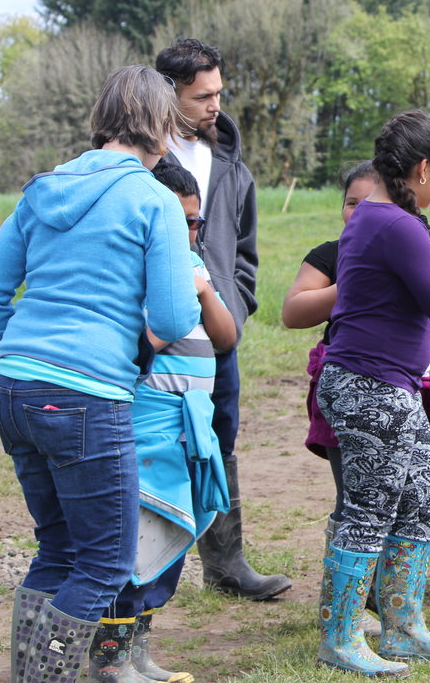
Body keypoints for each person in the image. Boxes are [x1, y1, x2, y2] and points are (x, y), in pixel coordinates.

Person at [0, 65, 199, 683]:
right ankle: (49, 677)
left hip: (14, 387)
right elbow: (172, 313)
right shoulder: (154, 199)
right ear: (161, 127)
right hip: (86, 397)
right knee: (106, 565)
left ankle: (30, 676)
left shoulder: (43, 187)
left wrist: (19, 355)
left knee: (57, 548)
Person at [315, 110, 430, 677]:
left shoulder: (375, 217)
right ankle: (340, 636)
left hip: (393, 386)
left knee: (423, 500)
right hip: (370, 386)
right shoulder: (398, 224)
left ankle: (404, 628)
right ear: (425, 168)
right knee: (369, 510)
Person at [156, 38, 291, 600]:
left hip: (217, 333)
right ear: (169, 94)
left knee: (220, 441)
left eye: (219, 93)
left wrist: (233, 307)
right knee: (152, 443)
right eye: (201, 95)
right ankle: (138, 566)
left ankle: (226, 564)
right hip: (151, 334)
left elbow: (244, 250)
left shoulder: (229, 162)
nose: (216, 106)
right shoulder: (135, 158)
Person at [91, 161, 235, 683]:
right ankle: (110, 657)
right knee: (136, 542)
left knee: (169, 538)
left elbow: (227, 337)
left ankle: (139, 649)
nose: (190, 232)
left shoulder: (193, 263)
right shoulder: (134, 268)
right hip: (148, 427)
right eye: (180, 222)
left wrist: (202, 289)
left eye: (196, 222)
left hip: (187, 431)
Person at [281, 162, 383, 640]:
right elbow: (293, 311)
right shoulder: (331, 255)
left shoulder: (413, 248)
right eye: (351, 203)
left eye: (371, 203)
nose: (358, 212)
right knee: (354, 495)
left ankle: (391, 600)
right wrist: (351, 287)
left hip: (406, 387)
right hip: (347, 388)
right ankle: (348, 606)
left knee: (405, 495)